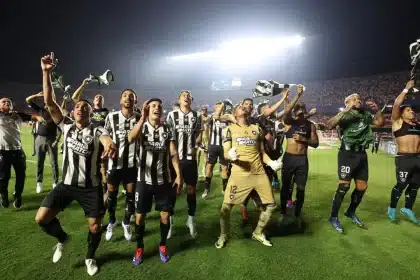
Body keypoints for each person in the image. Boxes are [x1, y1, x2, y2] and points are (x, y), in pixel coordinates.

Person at [35, 53, 116, 276]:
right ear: (72, 112)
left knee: (95, 227)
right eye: (78, 106)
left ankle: (90, 257)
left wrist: (109, 145)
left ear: (91, 113)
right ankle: (62, 239)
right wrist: (46, 72)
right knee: (41, 218)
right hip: (67, 185)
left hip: (91, 187)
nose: (80, 108)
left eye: (85, 107)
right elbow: (49, 102)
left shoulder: (98, 129)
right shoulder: (66, 126)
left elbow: (106, 139)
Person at [214, 102, 282, 248]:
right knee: (225, 209)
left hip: (259, 173)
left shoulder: (256, 129)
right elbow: (226, 153)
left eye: (245, 107)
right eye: (240, 106)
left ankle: (258, 232)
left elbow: (262, 153)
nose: (243, 107)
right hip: (239, 175)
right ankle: (223, 235)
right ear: (235, 113)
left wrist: (271, 163)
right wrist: (229, 155)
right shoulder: (229, 129)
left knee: (271, 205)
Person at [128, 98, 182, 265]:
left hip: (163, 181)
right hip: (143, 181)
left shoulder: (167, 128)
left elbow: (173, 154)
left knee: (165, 216)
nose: (156, 108)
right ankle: (140, 247)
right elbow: (131, 138)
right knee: (140, 217)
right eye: (153, 106)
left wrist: (179, 175)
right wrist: (142, 118)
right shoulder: (141, 126)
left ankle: (163, 245)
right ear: (147, 109)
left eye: (159, 106)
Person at [327, 93, 384, 233]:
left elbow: (379, 123)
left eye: (359, 99)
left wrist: (377, 110)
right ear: (347, 102)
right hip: (347, 154)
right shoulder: (345, 115)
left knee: (362, 187)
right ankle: (333, 217)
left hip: (361, 154)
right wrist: (345, 110)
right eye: (354, 99)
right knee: (344, 186)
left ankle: (350, 212)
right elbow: (329, 125)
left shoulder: (365, 114)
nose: (358, 100)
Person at [103, 89, 140, 241]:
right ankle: (112, 220)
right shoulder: (111, 117)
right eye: (125, 95)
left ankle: (126, 222)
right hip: (114, 164)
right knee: (111, 195)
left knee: (131, 197)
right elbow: (104, 137)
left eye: (131, 96)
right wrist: (103, 163)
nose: (128, 98)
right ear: (120, 100)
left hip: (132, 164)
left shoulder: (139, 118)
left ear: (135, 101)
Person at [166, 91, 203, 238]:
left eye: (188, 95)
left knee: (192, 190)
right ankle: (169, 221)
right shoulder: (172, 115)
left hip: (190, 159)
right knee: (173, 190)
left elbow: (200, 131)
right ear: (179, 99)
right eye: (183, 95)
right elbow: (168, 137)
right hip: (175, 159)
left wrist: (197, 143)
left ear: (191, 100)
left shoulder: (197, 115)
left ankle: (190, 219)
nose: (186, 97)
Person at [281, 86, 319, 228]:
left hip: (302, 160)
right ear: (295, 111)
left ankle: (297, 214)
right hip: (289, 158)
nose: (300, 112)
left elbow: (315, 143)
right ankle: (283, 212)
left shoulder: (311, 125)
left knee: (301, 188)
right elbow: (286, 112)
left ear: (305, 111)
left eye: (302, 109)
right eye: (298, 109)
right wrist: (297, 96)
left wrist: (304, 140)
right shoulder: (289, 123)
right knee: (285, 187)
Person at [388, 80, 420, 224]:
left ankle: (408, 208)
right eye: (408, 110)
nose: (412, 111)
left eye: (412, 110)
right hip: (404, 159)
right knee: (401, 185)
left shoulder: (418, 125)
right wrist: (406, 89)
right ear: (401, 114)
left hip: (418, 158)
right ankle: (392, 207)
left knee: (415, 185)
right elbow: (396, 105)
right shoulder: (398, 122)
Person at [26, 92, 61, 193]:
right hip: (40, 138)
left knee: (54, 163)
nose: (47, 103)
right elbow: (28, 99)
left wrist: (57, 140)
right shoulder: (40, 110)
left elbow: (61, 129)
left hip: (52, 139)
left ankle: (55, 183)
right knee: (39, 162)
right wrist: (36, 95)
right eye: (46, 102)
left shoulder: (56, 113)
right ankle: (39, 182)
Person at [0, 98, 31, 208]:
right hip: (2, 152)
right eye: (3, 102)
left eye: (9, 102)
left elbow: (36, 117)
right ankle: (3, 195)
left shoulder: (18, 115)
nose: (7, 103)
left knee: (21, 176)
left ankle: (18, 195)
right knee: (3, 178)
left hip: (18, 151)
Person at [202, 102, 230, 198]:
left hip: (224, 147)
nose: (220, 108)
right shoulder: (212, 118)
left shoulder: (227, 118)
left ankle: (224, 189)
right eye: (218, 107)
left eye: (222, 107)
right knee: (209, 167)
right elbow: (206, 125)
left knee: (225, 168)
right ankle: (206, 189)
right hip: (213, 146)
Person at [197, 106, 210, 178]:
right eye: (202, 110)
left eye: (204, 110)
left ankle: (204, 170)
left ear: (206, 111)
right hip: (199, 139)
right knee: (197, 156)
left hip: (206, 140)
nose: (203, 111)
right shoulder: (198, 118)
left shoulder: (208, 119)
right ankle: (196, 170)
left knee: (206, 156)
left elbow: (210, 129)